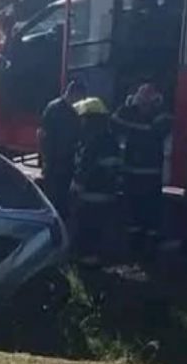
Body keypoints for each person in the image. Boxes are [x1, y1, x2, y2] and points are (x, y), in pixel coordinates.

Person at [112, 83, 172, 260]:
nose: (144, 105)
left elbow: (153, 130)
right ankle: (136, 249)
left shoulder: (161, 117)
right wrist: (129, 106)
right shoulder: (136, 114)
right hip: (134, 174)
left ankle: (149, 249)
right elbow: (114, 121)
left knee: (150, 214)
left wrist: (131, 110)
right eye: (142, 101)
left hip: (150, 175)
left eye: (147, 101)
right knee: (134, 214)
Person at [69, 96, 119, 267]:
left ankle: (86, 259)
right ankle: (96, 256)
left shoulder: (93, 141)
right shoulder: (111, 139)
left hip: (91, 192)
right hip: (108, 191)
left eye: (83, 118)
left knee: (86, 225)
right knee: (99, 226)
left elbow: (85, 167)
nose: (81, 122)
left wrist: (76, 187)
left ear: (91, 119)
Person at [39, 81, 87, 220]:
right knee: (52, 197)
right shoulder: (54, 109)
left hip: (68, 162)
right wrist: (46, 161)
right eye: (80, 97)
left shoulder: (75, 111)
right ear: (73, 94)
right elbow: (44, 136)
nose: (80, 101)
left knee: (64, 198)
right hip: (54, 162)